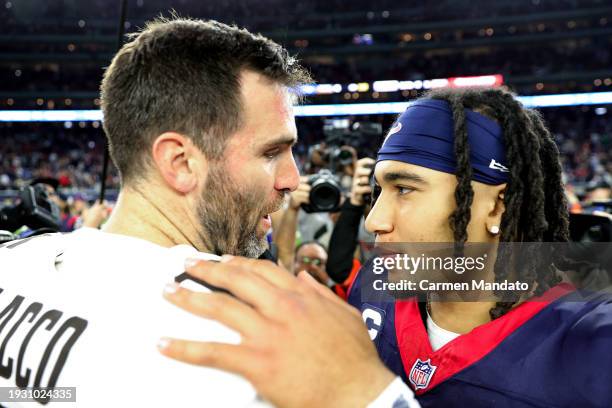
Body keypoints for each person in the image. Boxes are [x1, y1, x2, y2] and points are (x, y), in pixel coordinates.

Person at [159, 87, 612, 407]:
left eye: (406, 189)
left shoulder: (591, 345)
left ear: (498, 206)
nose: (376, 220)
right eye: (379, 190)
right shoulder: (375, 286)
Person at [0, 16, 311, 407]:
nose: (292, 179)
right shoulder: (230, 343)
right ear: (180, 162)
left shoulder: (13, 265)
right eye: (271, 152)